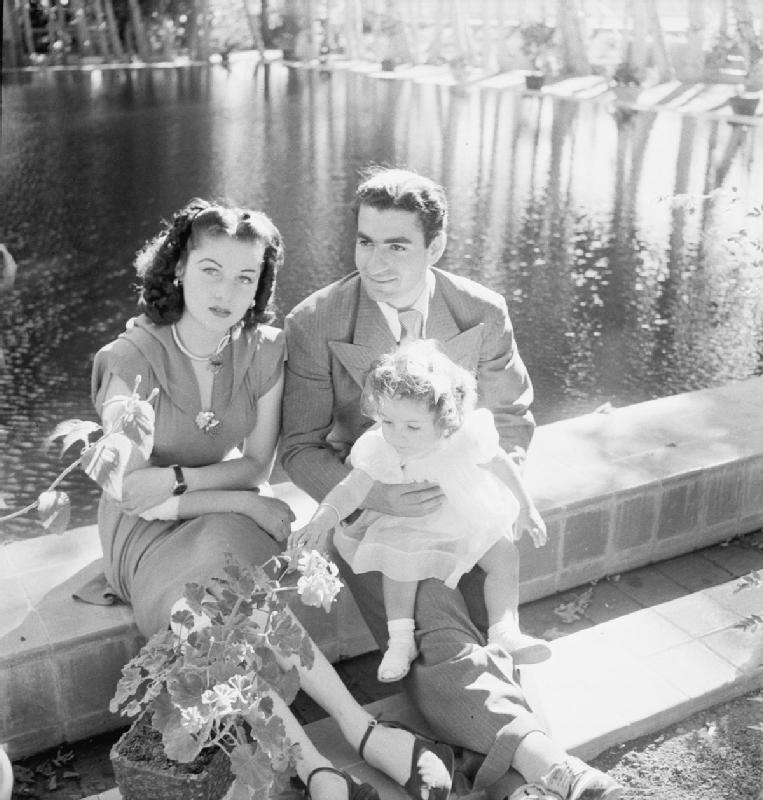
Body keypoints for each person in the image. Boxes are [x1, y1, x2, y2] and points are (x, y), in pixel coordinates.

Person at [85, 198, 456, 800]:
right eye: (210, 269)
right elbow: (128, 490)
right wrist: (240, 500)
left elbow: (257, 463)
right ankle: (321, 758)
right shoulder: (131, 361)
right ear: (178, 267)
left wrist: (191, 483)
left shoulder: (264, 349)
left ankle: (347, 741)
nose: (226, 290)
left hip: (222, 510)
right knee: (205, 605)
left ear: (260, 285)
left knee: (236, 593)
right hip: (146, 533)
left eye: (245, 276)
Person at [282, 167, 623, 800]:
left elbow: (513, 417)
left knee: (486, 599)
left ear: (435, 246)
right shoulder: (316, 321)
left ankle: (496, 766)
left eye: (396, 245)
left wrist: (490, 493)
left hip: (462, 500)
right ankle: (546, 761)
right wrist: (377, 497)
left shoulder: (481, 311)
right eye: (364, 241)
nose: (374, 261)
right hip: (376, 508)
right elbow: (298, 447)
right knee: (432, 614)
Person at [289, 342, 550, 684]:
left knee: (504, 555)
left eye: (412, 427)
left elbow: (499, 463)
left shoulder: (464, 435)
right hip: (408, 520)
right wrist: (324, 517)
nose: (397, 435)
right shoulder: (381, 446)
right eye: (387, 421)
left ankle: (505, 628)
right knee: (400, 569)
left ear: (445, 418)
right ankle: (400, 642)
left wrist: (527, 507)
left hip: (461, 512)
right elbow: (351, 488)